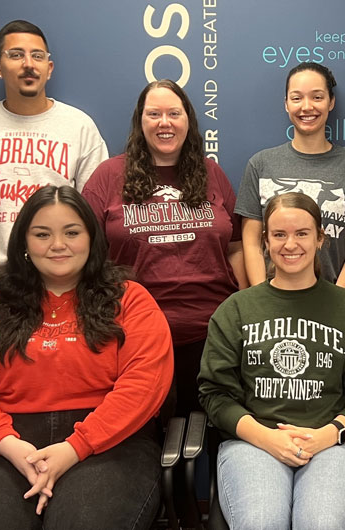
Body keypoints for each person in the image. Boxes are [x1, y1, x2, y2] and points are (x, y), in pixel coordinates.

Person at [0, 186, 174, 530]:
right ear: (24, 243)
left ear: (91, 238)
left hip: (109, 441)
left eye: (72, 232)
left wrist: (75, 448)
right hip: (5, 442)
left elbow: (144, 385)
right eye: (42, 234)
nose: (58, 245)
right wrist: (9, 445)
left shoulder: (130, 300)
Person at [198, 192, 345, 529]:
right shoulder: (237, 309)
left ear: (320, 239)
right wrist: (266, 437)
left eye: (302, 233)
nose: (291, 244)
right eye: (279, 234)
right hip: (254, 443)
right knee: (261, 523)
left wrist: (329, 434)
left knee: (321, 524)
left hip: (333, 445)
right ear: (265, 242)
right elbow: (215, 394)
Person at [83, 79, 245, 416]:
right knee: (147, 440)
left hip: (212, 334)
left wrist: (244, 314)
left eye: (174, 113)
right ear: (140, 122)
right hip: (135, 336)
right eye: (153, 114)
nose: (164, 122)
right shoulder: (108, 176)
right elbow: (85, 254)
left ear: (189, 120)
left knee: (212, 435)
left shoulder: (211, 172)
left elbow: (237, 247)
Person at [0, 20, 108, 296]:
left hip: (63, 281)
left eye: (37, 56)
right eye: (16, 55)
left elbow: (96, 211)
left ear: (49, 69)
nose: (28, 64)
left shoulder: (79, 126)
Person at [235, 62, 345, 289]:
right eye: (296, 98)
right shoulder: (260, 164)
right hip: (273, 302)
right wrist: (261, 298)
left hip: (332, 302)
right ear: (286, 104)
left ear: (331, 102)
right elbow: (251, 243)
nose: (307, 106)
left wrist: (337, 301)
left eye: (317, 97)